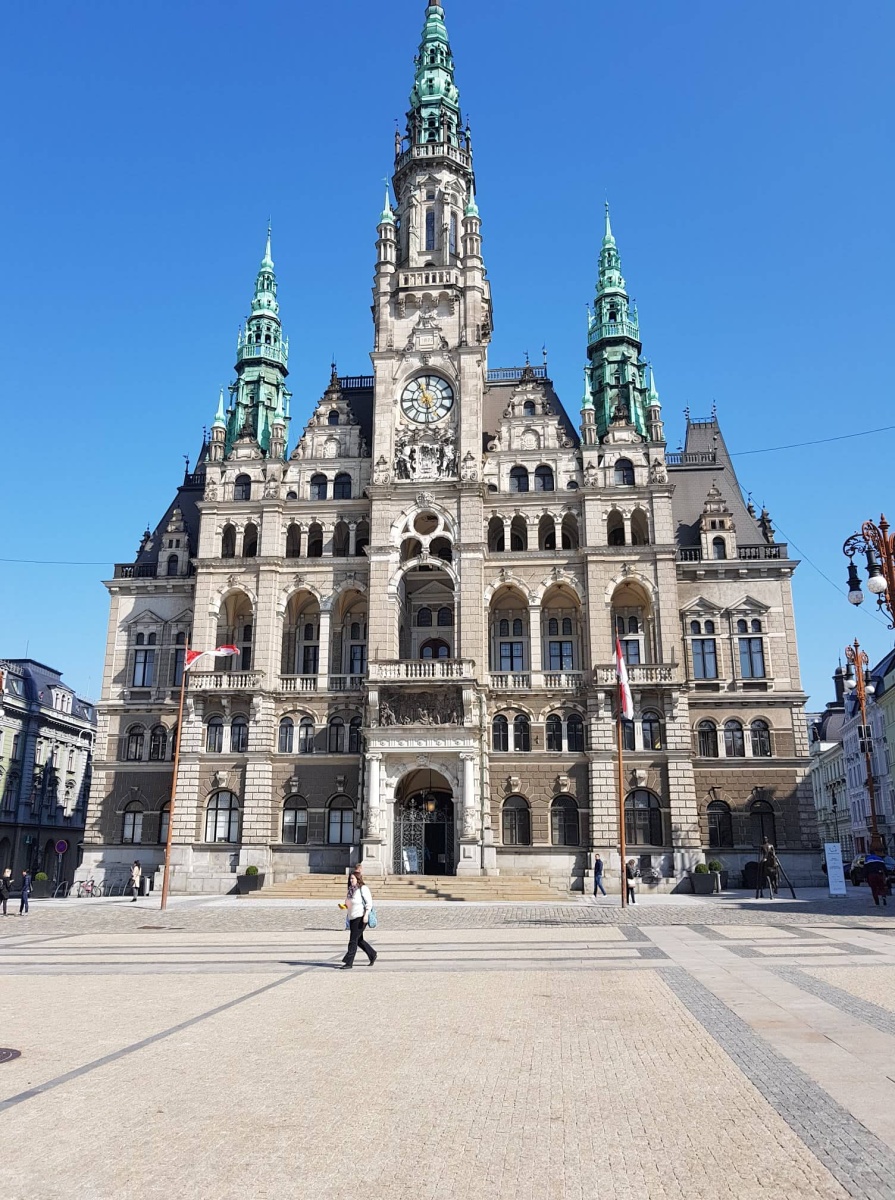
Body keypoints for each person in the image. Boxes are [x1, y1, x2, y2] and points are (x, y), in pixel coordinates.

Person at [340, 867, 376, 969]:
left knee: (353, 940)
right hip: (352, 917)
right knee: (359, 940)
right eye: (350, 879)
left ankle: (349, 962)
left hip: (361, 917)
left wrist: (366, 915)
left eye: (353, 878)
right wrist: (344, 906)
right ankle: (372, 954)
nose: (351, 880)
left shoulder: (363, 889)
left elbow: (369, 903)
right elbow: (350, 903)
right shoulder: (351, 890)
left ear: (358, 879)